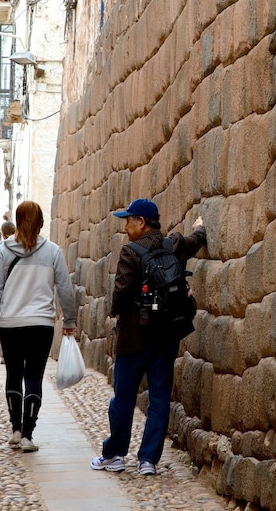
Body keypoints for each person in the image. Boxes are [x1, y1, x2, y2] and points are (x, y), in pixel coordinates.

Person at [90, 198, 205, 476]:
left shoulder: (130, 251)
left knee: (123, 399)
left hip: (133, 339)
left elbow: (121, 292)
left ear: (141, 223)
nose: (126, 226)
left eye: (128, 220)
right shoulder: (172, 245)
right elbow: (195, 239)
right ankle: (148, 461)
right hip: (165, 339)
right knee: (159, 399)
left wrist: (116, 312)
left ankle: (115, 455)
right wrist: (200, 227)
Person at [0, 201, 76, 452]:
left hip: (11, 323)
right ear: (41, 223)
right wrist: (69, 319)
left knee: (14, 374)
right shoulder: (53, 251)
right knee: (34, 376)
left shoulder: (3, 251)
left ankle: (15, 429)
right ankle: (28, 435)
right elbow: (65, 288)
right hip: (41, 324)